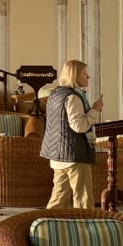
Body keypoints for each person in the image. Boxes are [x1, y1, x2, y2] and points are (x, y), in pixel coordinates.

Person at [40, 59, 104, 209]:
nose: (88, 77)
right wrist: (94, 110)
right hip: (74, 155)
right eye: (84, 74)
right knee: (83, 200)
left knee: (58, 200)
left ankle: (46, 227)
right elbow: (79, 126)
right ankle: (84, 230)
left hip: (57, 154)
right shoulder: (72, 97)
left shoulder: (55, 94)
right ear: (74, 76)